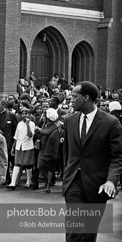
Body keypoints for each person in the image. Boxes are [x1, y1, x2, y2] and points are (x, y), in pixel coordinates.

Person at [62, 81, 122, 241]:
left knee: (89, 232)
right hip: (73, 182)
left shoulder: (111, 123)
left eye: (74, 97)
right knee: (74, 227)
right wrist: (66, 177)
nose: (70, 100)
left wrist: (111, 181)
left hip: (98, 185)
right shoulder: (70, 121)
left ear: (86, 98)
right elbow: (67, 152)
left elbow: (117, 157)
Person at [7, 108, 35, 190]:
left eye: (27, 113)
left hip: (28, 146)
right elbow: (16, 136)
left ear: (29, 115)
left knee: (28, 165)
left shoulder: (32, 124)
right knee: (17, 164)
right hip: (19, 146)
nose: (25, 115)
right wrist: (13, 147)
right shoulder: (19, 124)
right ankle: (13, 183)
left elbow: (30, 135)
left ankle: (29, 182)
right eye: (23, 113)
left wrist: (27, 125)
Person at [36, 108, 60, 193]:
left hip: (50, 150)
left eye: (45, 116)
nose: (43, 117)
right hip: (42, 149)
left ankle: (48, 185)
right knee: (41, 167)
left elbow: (46, 132)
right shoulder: (44, 125)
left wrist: (38, 129)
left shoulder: (54, 126)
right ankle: (46, 182)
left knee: (50, 169)